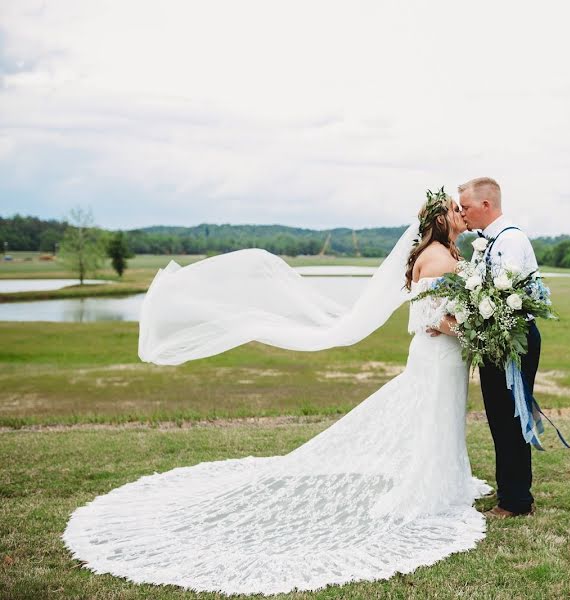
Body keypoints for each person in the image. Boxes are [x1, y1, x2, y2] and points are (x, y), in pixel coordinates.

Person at [61, 190, 493, 596]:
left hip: (439, 355)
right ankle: (431, 487)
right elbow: (433, 318)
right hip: (438, 353)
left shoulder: (441, 253)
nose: (461, 213)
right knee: (435, 417)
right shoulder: (439, 258)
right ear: (439, 219)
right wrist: (478, 328)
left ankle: (443, 480)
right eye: (455, 209)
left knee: (438, 418)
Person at [454, 176, 541, 518]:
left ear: (486, 205)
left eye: (466, 207)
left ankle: (516, 502)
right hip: (497, 339)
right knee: (500, 418)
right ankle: (512, 493)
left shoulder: (511, 240)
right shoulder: (490, 241)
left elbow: (509, 299)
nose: (463, 214)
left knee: (510, 417)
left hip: (511, 340)